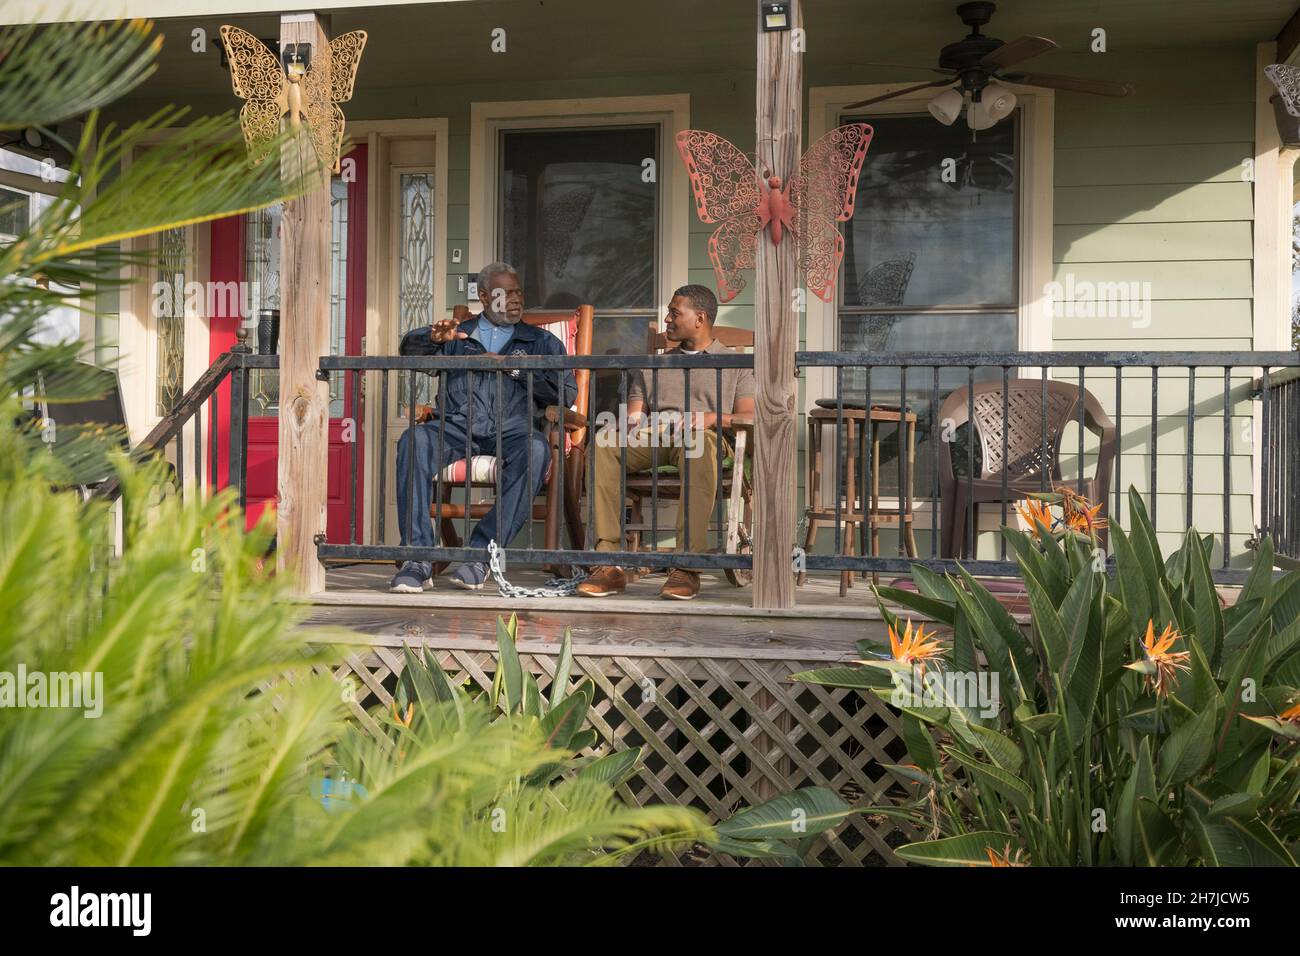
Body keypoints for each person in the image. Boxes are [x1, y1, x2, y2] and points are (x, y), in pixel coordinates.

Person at [389, 262, 576, 592]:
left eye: (519, 292)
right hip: (457, 426)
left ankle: (479, 553)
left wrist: (516, 369)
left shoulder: (540, 342)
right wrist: (431, 337)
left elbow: (566, 393)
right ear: (485, 296)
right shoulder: (458, 336)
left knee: (536, 450)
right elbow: (408, 352)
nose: (517, 299)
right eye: (508, 293)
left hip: (515, 429)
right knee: (413, 441)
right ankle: (417, 557)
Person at [578, 284, 754, 601]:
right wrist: (625, 425)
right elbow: (634, 417)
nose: (667, 319)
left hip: (706, 437)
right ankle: (610, 564)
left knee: (698, 444)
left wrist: (713, 418)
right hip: (656, 434)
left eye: (675, 312)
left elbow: (750, 417)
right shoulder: (653, 364)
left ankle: (686, 567)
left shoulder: (734, 364)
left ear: (700, 318)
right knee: (604, 443)